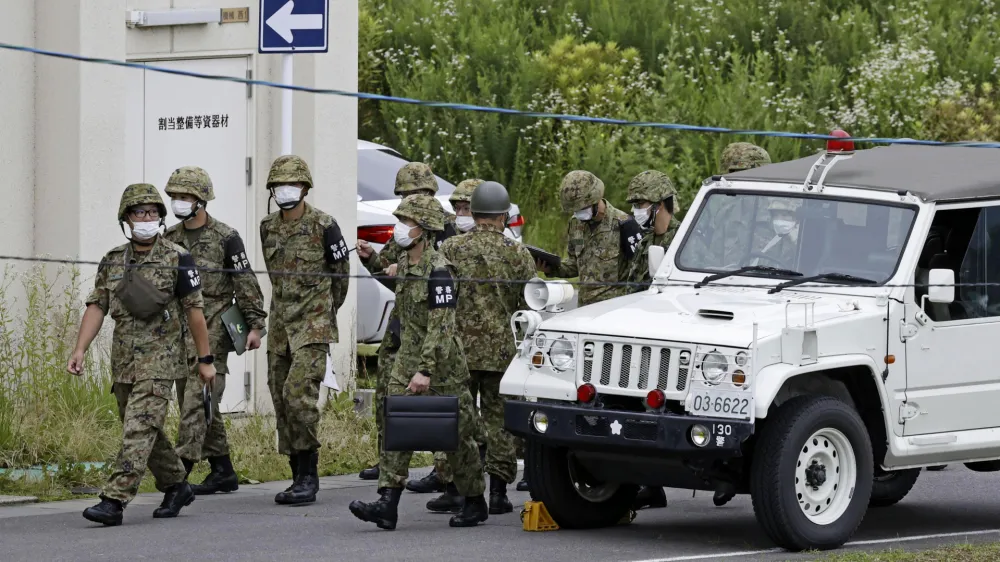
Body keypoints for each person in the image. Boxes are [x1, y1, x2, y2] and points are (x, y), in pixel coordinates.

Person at [67, 183, 216, 526]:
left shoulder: (177, 257)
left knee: (138, 429)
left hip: (161, 363)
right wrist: (79, 349)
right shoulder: (113, 260)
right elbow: (97, 305)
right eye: (139, 212)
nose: (146, 218)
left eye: (152, 212)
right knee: (147, 430)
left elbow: (195, 312)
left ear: (161, 218)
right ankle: (177, 485)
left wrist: (205, 361)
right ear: (126, 218)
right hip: (124, 363)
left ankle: (114, 500)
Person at [349, 194, 488, 530]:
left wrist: (425, 369)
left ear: (423, 230)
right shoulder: (407, 263)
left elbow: (442, 327)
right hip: (407, 357)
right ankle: (387, 503)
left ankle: (474, 501)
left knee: (458, 437)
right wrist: (371, 261)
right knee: (396, 427)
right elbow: (393, 280)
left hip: (442, 366)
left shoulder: (439, 271)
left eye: (407, 222)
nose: (400, 228)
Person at [423, 181, 535, 516]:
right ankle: (499, 492)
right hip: (502, 350)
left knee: (459, 420)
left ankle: (460, 488)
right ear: (503, 216)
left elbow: (440, 296)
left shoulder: (453, 249)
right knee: (499, 421)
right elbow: (526, 303)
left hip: (459, 350)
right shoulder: (518, 253)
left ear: (473, 211)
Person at [163, 166, 267, 495]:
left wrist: (255, 324)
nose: (179, 202)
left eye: (185, 197)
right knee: (198, 401)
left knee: (199, 399)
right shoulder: (170, 239)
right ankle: (223, 470)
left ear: (201, 200)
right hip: (180, 332)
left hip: (215, 328)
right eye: (175, 196)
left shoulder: (226, 237)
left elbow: (245, 281)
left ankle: (179, 475)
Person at [355, 162, 457, 487]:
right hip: (403, 323)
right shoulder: (404, 229)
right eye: (404, 195)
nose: (408, 201)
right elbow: (388, 268)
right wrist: (372, 258)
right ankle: (388, 460)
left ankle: (444, 471)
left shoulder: (446, 229)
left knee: (440, 396)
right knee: (390, 390)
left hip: (436, 324)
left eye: (415, 194)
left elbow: (451, 282)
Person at [260, 155, 350, 505]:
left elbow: (341, 276)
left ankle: (309, 474)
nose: (285, 191)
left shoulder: (325, 225)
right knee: (280, 395)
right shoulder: (268, 226)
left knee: (299, 394)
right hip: (281, 323)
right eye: (279, 185)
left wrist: (325, 313)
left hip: (313, 325)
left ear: (305, 188)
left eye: (292, 185)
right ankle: (295, 471)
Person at [410, 178, 491, 499]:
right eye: (456, 207)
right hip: (449, 342)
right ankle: (447, 479)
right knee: (455, 415)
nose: (460, 214)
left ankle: (477, 488)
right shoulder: (447, 244)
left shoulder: (497, 245)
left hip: (480, 342)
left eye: (466, 208)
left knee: (469, 419)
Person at [536, 170, 642, 306]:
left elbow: (639, 273)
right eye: (574, 210)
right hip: (584, 309)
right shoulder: (575, 223)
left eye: (581, 208)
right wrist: (550, 268)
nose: (577, 213)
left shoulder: (624, 224)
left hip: (614, 309)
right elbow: (574, 265)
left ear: (595, 199)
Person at [624, 170, 681, 290]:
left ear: (659, 204)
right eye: (634, 205)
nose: (635, 210)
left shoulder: (684, 240)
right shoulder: (644, 243)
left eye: (640, 204)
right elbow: (632, 288)